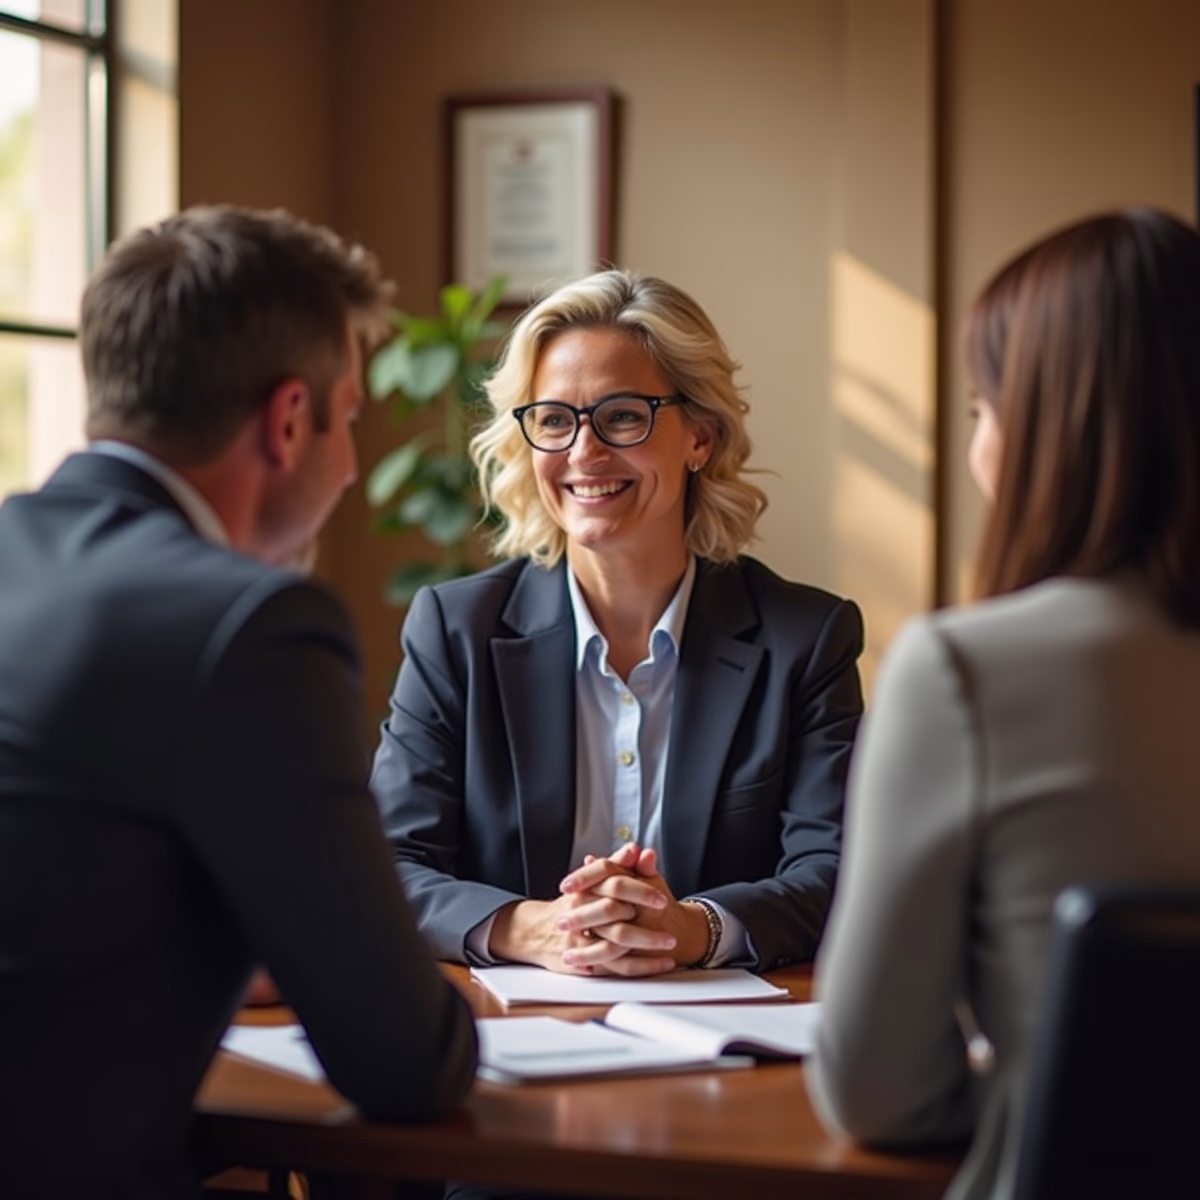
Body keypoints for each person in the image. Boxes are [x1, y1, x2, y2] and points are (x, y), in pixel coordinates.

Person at [0, 206, 478, 1199]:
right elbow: (406, 1062)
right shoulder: (250, 627)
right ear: (289, 419)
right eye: (350, 417)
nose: (353, 464)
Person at [806, 208, 1200, 1199]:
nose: (978, 447)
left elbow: (875, 1089)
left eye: (983, 408)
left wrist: (1033, 1087)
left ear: (1050, 430)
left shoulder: (962, 672)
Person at [371, 268, 864, 978]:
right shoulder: (455, 632)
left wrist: (691, 929)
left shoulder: (805, 640)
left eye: (624, 416)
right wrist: (535, 929)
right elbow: (387, 862)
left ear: (700, 437)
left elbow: (836, 871)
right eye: (553, 420)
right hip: (510, 1023)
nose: (583, 452)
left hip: (724, 1028)